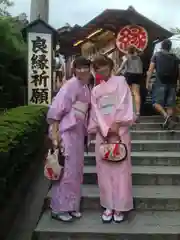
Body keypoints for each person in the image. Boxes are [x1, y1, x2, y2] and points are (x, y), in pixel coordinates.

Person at [88, 55, 134, 223]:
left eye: (103, 66)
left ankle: (120, 206)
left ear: (110, 66)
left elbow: (125, 103)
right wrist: (104, 128)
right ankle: (108, 205)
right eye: (97, 67)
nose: (101, 70)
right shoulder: (95, 90)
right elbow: (95, 111)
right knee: (104, 170)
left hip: (119, 131)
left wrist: (117, 123)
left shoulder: (121, 81)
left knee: (121, 170)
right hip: (103, 134)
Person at [47, 56, 91, 222]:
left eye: (85, 67)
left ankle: (72, 206)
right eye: (78, 67)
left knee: (76, 171)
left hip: (78, 132)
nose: (82, 70)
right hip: (67, 131)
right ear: (74, 69)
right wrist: (55, 133)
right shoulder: (70, 85)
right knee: (66, 170)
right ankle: (59, 208)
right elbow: (57, 109)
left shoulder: (85, 86)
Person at [146, 39, 180, 129]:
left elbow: (150, 70)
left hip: (160, 82)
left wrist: (147, 81)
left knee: (155, 103)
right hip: (172, 83)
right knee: (170, 105)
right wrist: (178, 83)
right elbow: (179, 72)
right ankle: (169, 124)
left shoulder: (156, 55)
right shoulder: (175, 58)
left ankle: (166, 116)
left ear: (162, 46)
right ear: (170, 47)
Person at [116, 45, 143, 121]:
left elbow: (122, 67)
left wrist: (115, 74)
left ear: (127, 51)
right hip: (138, 75)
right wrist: (136, 49)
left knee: (126, 93)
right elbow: (141, 51)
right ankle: (137, 112)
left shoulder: (126, 57)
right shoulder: (138, 57)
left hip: (129, 74)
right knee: (136, 93)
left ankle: (127, 112)